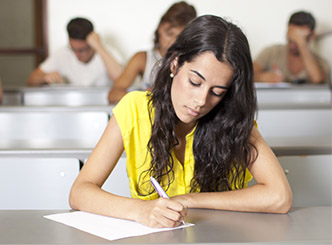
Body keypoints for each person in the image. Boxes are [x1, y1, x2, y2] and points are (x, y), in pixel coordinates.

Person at [69, 15, 292, 228]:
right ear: (175, 64)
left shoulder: (233, 119)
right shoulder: (134, 108)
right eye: (195, 82)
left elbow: (279, 197)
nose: (201, 101)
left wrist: (189, 200)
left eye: (217, 91)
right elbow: (80, 192)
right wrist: (141, 210)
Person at [108, 1, 196, 104]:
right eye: (169, 34)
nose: (173, 42)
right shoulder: (142, 58)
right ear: (160, 28)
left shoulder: (193, 61)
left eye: (180, 38)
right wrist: (145, 95)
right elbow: (113, 94)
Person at [26, 17, 123, 87]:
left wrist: (99, 47)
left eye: (82, 50)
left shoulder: (107, 52)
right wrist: (44, 77)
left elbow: (122, 80)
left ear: (92, 43)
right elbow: (31, 80)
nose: (77, 55)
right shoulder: (62, 53)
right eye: (73, 49)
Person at [253, 11, 330, 84]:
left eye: (298, 38)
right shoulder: (271, 52)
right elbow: (248, 74)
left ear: (312, 36)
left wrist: (301, 43)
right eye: (290, 38)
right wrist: (262, 77)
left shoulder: (321, 63)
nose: (292, 43)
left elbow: (318, 80)